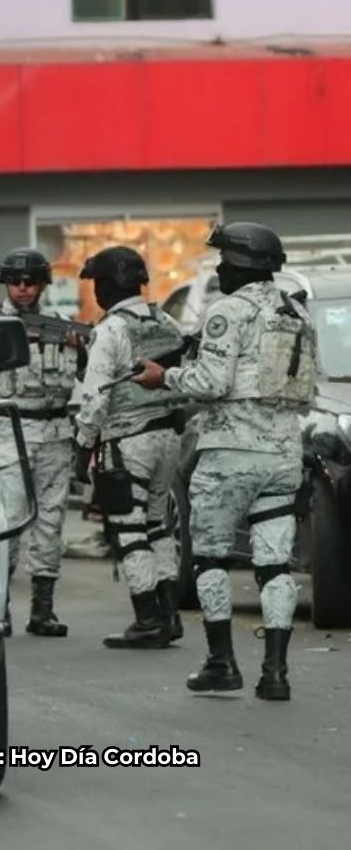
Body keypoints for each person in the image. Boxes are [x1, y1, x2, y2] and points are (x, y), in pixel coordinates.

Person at [133, 223, 317, 700]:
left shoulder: (227, 311)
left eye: (224, 260)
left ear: (241, 263)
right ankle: (276, 674)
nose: (218, 268)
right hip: (283, 452)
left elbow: (211, 383)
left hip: (230, 453)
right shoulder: (298, 311)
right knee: (275, 566)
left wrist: (164, 376)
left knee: (211, 557)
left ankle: (221, 663)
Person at [74, 247, 188, 649]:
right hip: (168, 438)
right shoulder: (167, 322)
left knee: (128, 526)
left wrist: (82, 448)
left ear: (106, 284)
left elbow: (95, 398)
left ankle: (146, 619)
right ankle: (169, 615)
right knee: (158, 525)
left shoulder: (110, 330)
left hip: (127, 440)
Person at [0, 248, 79, 638]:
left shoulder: (62, 327)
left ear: (44, 284)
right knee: (10, 521)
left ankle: (43, 609)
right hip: (8, 430)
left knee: (51, 521)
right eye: (15, 282)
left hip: (56, 432)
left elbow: (90, 374)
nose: (23, 289)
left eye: (31, 281)